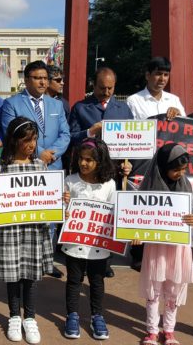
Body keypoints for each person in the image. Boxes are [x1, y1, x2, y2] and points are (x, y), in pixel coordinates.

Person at [0, 117, 63, 344]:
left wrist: (60, 199)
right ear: (15, 140)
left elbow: (48, 198)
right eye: (27, 140)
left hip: (33, 231)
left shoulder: (40, 165)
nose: (32, 144)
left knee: (30, 276)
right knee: (13, 276)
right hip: (10, 232)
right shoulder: (2, 166)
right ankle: (14, 317)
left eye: (35, 139)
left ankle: (30, 317)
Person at [134, 143, 193, 345]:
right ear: (163, 167)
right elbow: (136, 216)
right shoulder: (149, 187)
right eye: (176, 169)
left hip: (178, 248)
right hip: (156, 248)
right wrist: (135, 233)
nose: (180, 174)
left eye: (184, 170)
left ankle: (169, 330)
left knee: (173, 291)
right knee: (154, 291)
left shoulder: (186, 185)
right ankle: (151, 331)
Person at [63, 138, 117, 340]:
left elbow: (113, 213)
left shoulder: (109, 185)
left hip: (98, 244)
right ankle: (72, 315)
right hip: (74, 243)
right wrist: (64, 209)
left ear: (99, 162)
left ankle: (97, 316)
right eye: (81, 159)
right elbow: (61, 211)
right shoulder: (70, 181)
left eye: (89, 160)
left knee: (97, 281)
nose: (83, 163)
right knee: (74, 280)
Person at [1, 60, 70, 171]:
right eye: (38, 78)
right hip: (26, 166)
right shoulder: (12, 104)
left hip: (54, 165)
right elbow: (11, 134)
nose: (43, 82)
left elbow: (65, 134)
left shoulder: (57, 104)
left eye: (45, 78)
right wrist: (39, 153)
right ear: (26, 80)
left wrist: (51, 155)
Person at [69, 67, 134, 143]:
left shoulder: (124, 108)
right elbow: (71, 137)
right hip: (90, 153)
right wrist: (89, 132)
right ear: (94, 85)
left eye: (110, 88)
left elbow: (131, 135)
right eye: (102, 88)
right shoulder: (80, 108)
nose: (106, 92)